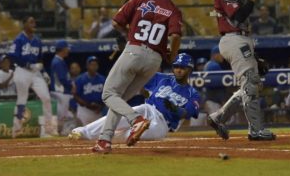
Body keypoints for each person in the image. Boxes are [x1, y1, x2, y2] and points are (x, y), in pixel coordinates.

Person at [92, 0, 183, 153]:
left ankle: (136, 120)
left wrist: (129, 34)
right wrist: (173, 54)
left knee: (109, 94)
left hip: (134, 50)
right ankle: (104, 140)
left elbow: (115, 22)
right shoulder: (173, 8)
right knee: (120, 99)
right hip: (154, 60)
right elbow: (176, 36)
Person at [69, 53, 200, 144]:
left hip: (163, 123)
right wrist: (126, 54)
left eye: (182, 67)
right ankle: (83, 132)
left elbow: (187, 113)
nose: (178, 70)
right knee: (122, 114)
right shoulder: (162, 78)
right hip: (147, 109)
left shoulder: (192, 93)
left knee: (143, 135)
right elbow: (139, 73)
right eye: (176, 66)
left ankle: (120, 135)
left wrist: (174, 108)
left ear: (189, 69)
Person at [208, 0, 276, 141]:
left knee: (251, 84)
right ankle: (256, 130)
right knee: (250, 82)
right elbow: (237, 17)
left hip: (241, 39)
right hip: (233, 39)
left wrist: (254, 56)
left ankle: (219, 117)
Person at [8, 16, 56, 138]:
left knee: (46, 98)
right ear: (24, 24)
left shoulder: (37, 40)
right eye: (31, 22)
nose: (34, 24)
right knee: (22, 99)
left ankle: (49, 128)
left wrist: (44, 72)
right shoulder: (19, 39)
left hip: (35, 72)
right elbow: (12, 55)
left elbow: (40, 59)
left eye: (34, 22)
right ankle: (17, 129)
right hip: (22, 71)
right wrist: (28, 64)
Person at [73, 56, 106, 125]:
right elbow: (75, 95)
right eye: (92, 64)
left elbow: (107, 94)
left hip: (97, 110)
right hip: (84, 110)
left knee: (97, 133)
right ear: (87, 66)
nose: (94, 67)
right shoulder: (80, 79)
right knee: (83, 132)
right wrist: (87, 104)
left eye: (96, 65)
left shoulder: (102, 79)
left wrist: (101, 106)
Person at [50, 40, 74, 129]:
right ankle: (57, 134)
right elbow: (62, 78)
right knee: (61, 117)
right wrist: (72, 85)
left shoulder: (59, 61)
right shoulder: (57, 61)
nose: (68, 50)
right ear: (63, 49)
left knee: (65, 116)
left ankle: (59, 133)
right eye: (67, 48)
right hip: (60, 92)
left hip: (61, 92)